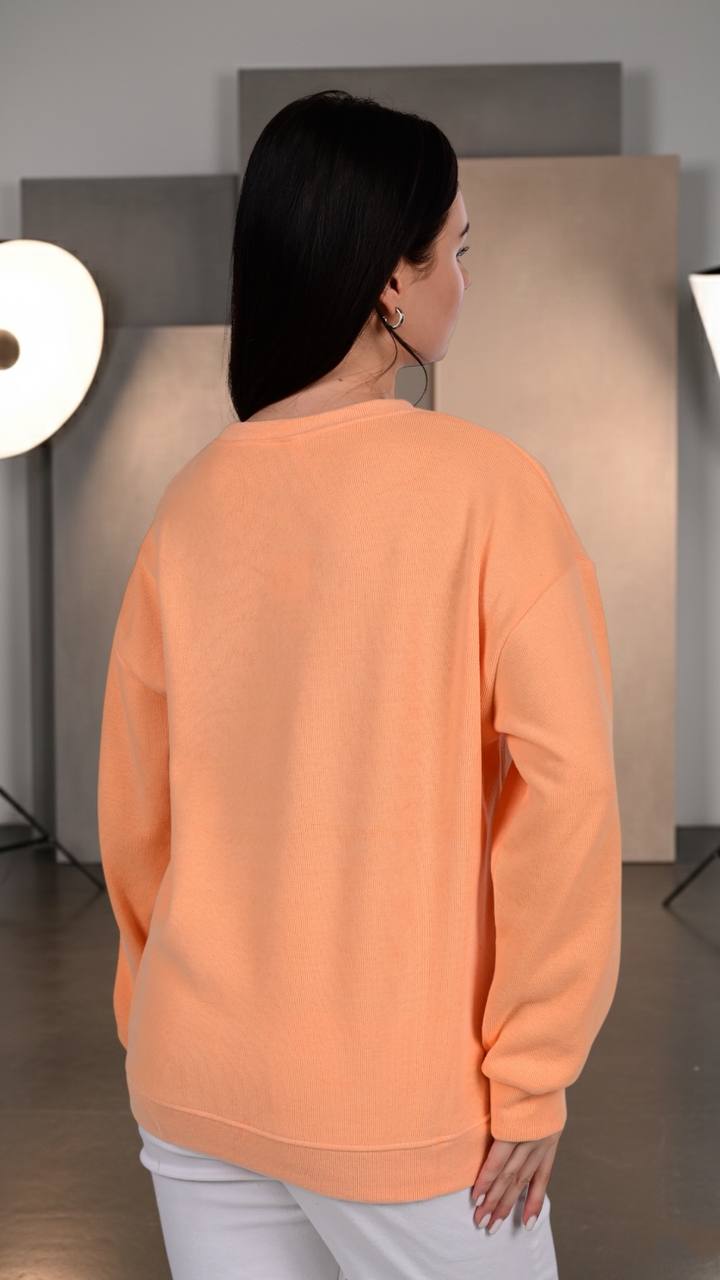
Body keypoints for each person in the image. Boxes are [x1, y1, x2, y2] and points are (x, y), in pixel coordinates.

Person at [97, 88, 622, 1279]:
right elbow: (569, 792)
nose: (465, 283)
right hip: (403, 1108)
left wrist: (156, 1016)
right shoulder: (489, 488)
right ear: (393, 279)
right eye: (459, 252)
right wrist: (530, 1071)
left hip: (196, 1082)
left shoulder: (190, 502)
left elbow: (136, 815)